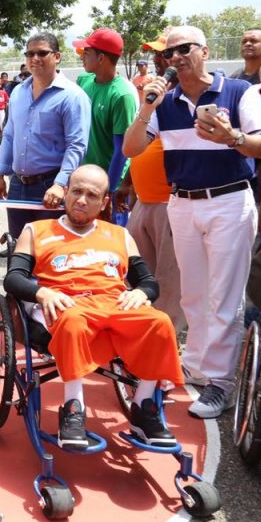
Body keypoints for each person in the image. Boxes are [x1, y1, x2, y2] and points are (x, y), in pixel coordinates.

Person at [124, 25, 261, 419]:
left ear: (204, 51)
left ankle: (221, 382)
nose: (175, 58)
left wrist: (232, 137)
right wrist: (147, 107)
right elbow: (131, 148)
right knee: (192, 294)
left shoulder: (238, 91)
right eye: (168, 53)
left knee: (224, 296)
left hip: (229, 200)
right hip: (183, 203)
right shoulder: (165, 101)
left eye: (183, 49)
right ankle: (197, 366)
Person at [3, 164, 183, 450]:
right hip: (66, 302)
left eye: (92, 195)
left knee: (159, 322)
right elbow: (13, 279)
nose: (82, 200)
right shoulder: (36, 230)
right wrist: (42, 293)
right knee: (73, 320)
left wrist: (141, 292)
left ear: (104, 202)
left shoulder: (120, 235)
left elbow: (148, 282)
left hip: (113, 303)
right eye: (76, 191)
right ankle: (73, 408)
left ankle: (143, 406)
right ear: (65, 193)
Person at [0, 33, 91, 257]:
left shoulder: (72, 96)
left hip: (50, 187)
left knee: (49, 254)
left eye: (42, 53)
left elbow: (76, 146)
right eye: (30, 54)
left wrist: (60, 184)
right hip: (18, 186)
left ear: (57, 56)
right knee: (19, 252)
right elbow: (9, 134)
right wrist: (0, 172)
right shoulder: (18, 92)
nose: (35, 58)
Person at [119, 34, 184, 332]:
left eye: (164, 54)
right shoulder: (156, 94)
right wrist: (128, 183)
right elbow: (137, 145)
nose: (160, 60)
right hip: (144, 200)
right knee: (137, 275)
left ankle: (165, 337)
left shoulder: (186, 96)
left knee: (168, 280)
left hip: (170, 203)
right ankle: (140, 331)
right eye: (158, 54)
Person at [75, 28, 135, 194]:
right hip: (83, 177)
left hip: (105, 182)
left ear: (101, 58)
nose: (81, 57)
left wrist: (109, 190)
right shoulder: (83, 81)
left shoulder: (122, 95)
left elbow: (121, 151)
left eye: (86, 53)